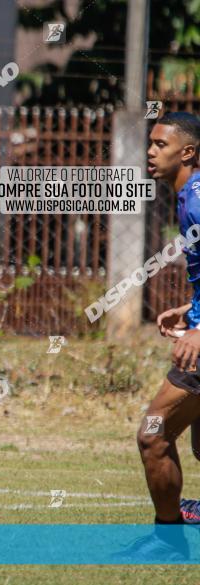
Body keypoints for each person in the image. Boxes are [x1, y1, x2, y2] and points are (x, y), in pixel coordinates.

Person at [141, 112, 200, 535]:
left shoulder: (197, 200)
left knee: (154, 436)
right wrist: (191, 307)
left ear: (188, 152)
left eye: (161, 144)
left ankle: (167, 538)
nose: (150, 151)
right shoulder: (187, 197)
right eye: (150, 142)